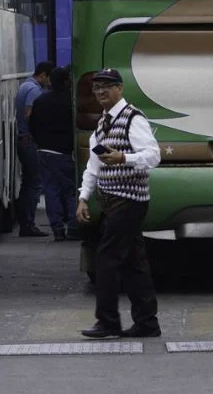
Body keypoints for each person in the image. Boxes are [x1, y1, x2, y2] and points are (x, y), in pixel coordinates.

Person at [76, 68, 161, 339]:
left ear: (120, 89)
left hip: (129, 200)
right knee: (135, 264)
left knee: (106, 260)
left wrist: (125, 158)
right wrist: (83, 197)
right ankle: (147, 323)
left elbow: (153, 156)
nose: (101, 92)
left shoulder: (132, 119)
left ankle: (108, 321)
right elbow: (93, 165)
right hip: (113, 202)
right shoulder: (103, 124)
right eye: (97, 87)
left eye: (107, 86)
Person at [29, 66, 78, 241]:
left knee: (51, 190)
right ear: (67, 81)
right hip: (65, 152)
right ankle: (73, 226)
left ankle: (57, 229)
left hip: (44, 150)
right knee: (70, 190)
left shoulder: (41, 101)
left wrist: (40, 142)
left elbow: (32, 126)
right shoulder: (72, 101)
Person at [15, 61, 55, 237]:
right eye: (49, 78)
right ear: (44, 75)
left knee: (28, 182)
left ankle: (25, 222)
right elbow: (30, 114)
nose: (50, 83)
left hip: (23, 139)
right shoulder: (34, 90)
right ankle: (28, 224)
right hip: (29, 140)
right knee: (35, 183)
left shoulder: (25, 85)